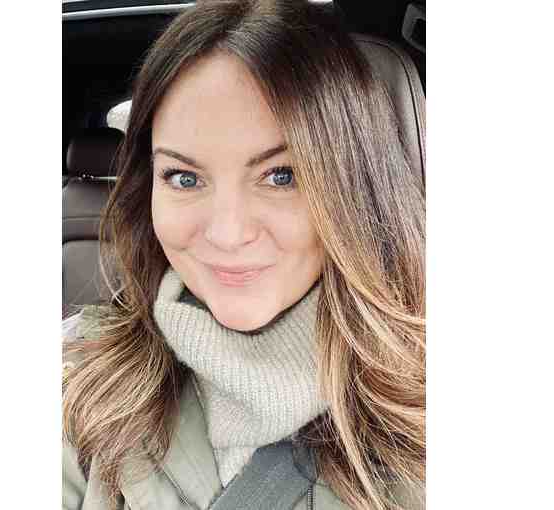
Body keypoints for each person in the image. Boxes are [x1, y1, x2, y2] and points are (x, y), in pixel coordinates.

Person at [62, 1, 425, 509]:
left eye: (282, 176)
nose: (227, 234)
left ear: (354, 187)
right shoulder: (76, 374)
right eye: (184, 178)